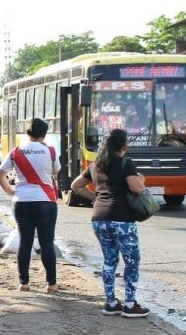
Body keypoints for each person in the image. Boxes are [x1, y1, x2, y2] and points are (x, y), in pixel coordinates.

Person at [70, 128, 150, 318]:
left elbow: (75, 186)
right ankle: (130, 305)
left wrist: (95, 199)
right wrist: (141, 179)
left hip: (99, 219)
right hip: (121, 219)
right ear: (123, 146)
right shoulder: (125, 163)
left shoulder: (95, 165)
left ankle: (111, 303)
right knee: (131, 260)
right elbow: (136, 187)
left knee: (109, 260)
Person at [0, 118, 60, 294]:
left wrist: (10, 191)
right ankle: (51, 284)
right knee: (47, 242)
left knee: (25, 241)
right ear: (44, 134)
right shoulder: (51, 152)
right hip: (46, 201)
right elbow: (56, 171)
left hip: (22, 201)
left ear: (27, 134)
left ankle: (24, 283)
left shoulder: (16, 152)